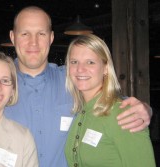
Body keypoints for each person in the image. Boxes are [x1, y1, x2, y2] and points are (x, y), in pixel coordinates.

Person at [0, 6, 152, 167]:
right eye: (25, 33)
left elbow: (105, 100)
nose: (33, 42)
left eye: (40, 34)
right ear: (13, 37)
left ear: (50, 38)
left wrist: (143, 109)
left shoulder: (71, 80)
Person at [64, 34, 155, 167]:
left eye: (90, 62)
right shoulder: (81, 111)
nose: (80, 69)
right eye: (74, 62)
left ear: (106, 68)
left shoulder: (124, 114)